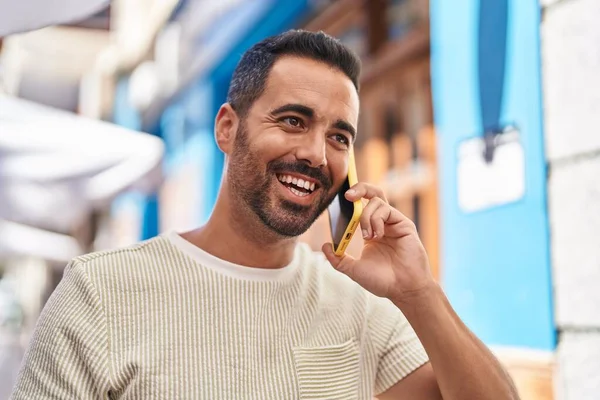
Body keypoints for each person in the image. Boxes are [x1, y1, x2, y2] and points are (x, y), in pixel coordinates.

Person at [11, 30, 519, 400]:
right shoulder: (98, 293)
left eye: (339, 136)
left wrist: (418, 293)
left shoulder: (362, 307)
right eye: (293, 120)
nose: (318, 154)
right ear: (228, 128)